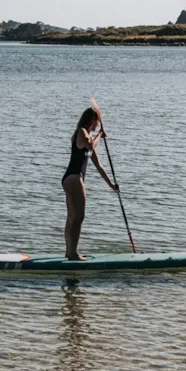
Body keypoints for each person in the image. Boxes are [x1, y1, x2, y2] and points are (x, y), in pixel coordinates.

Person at [62, 107, 118, 259]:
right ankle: (73, 253)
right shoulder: (81, 132)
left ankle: (69, 252)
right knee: (78, 217)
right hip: (74, 178)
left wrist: (111, 185)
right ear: (92, 120)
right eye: (97, 123)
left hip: (70, 178)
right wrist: (100, 134)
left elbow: (99, 166)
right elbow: (91, 144)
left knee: (72, 217)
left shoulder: (87, 138)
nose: (97, 126)